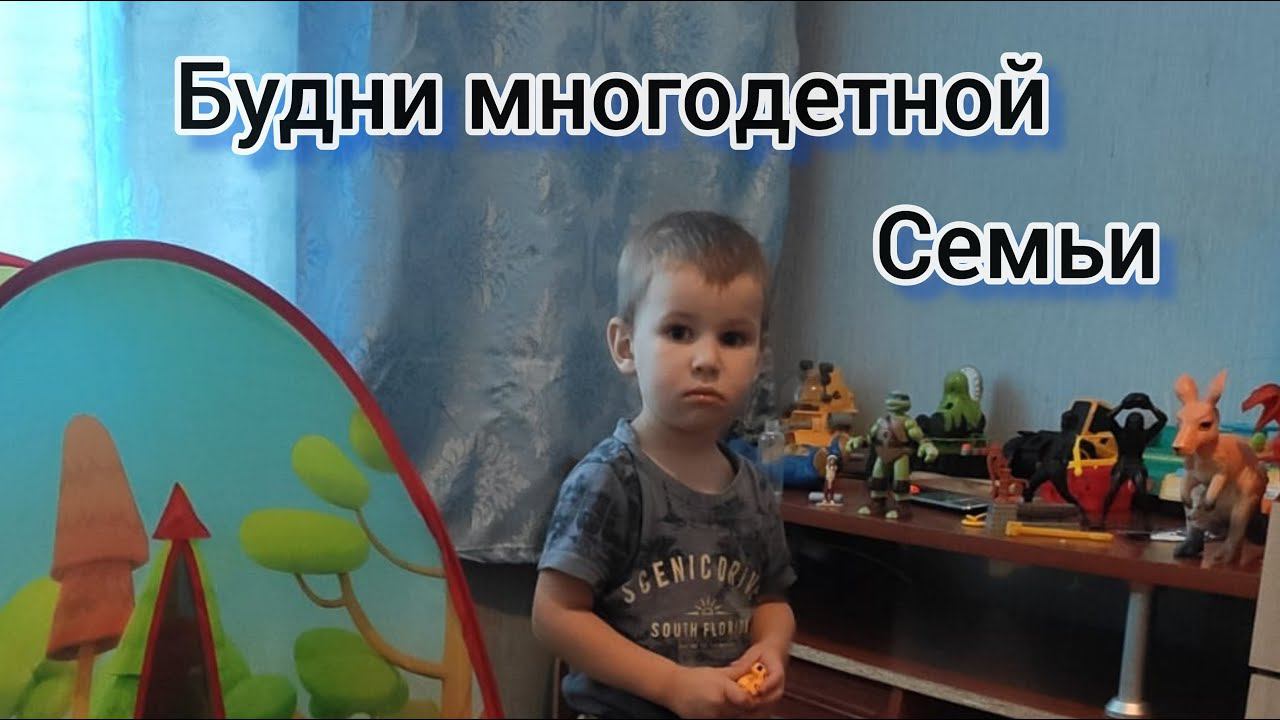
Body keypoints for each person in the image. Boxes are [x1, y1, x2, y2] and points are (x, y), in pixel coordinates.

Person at [533, 211, 797, 719]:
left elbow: (771, 600)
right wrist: (671, 685)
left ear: (759, 357)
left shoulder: (754, 491)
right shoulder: (608, 480)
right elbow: (554, 616)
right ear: (625, 346)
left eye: (733, 338)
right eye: (679, 331)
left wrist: (771, 647)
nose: (707, 359)